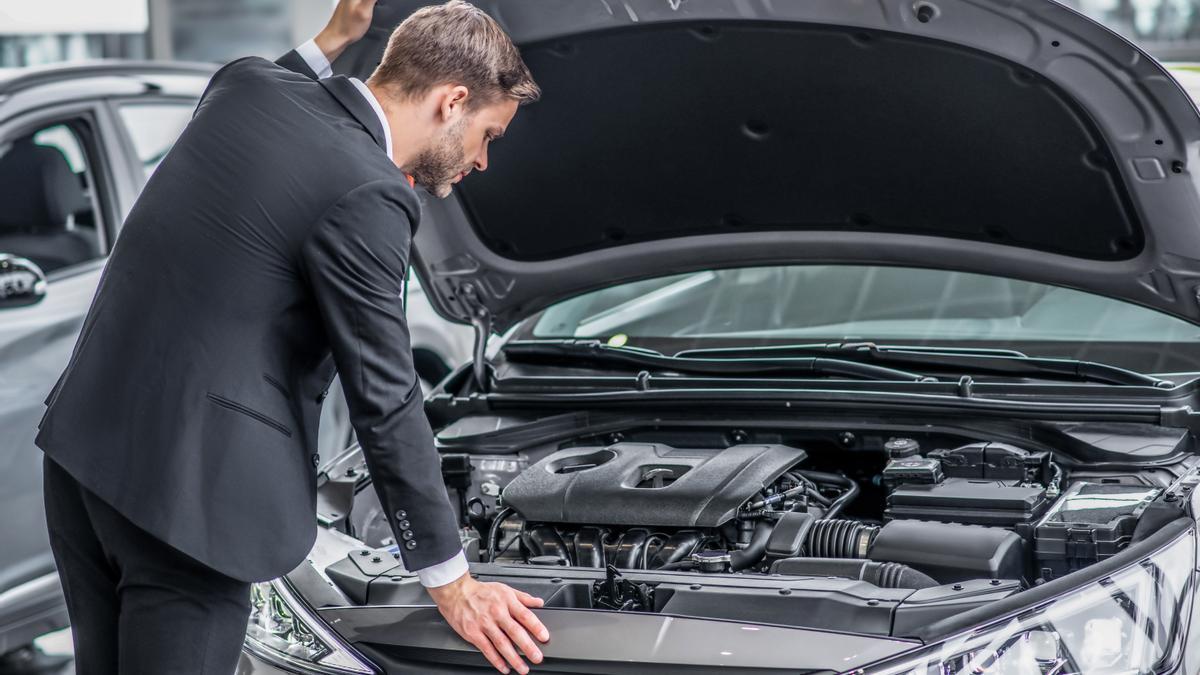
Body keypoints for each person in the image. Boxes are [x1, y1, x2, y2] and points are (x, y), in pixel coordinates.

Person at [35, 1, 547, 673]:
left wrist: (333, 40)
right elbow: (385, 396)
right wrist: (452, 582)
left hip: (85, 459)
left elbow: (274, 94)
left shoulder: (246, 86)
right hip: (186, 507)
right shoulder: (368, 191)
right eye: (490, 134)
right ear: (452, 101)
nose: (482, 160)